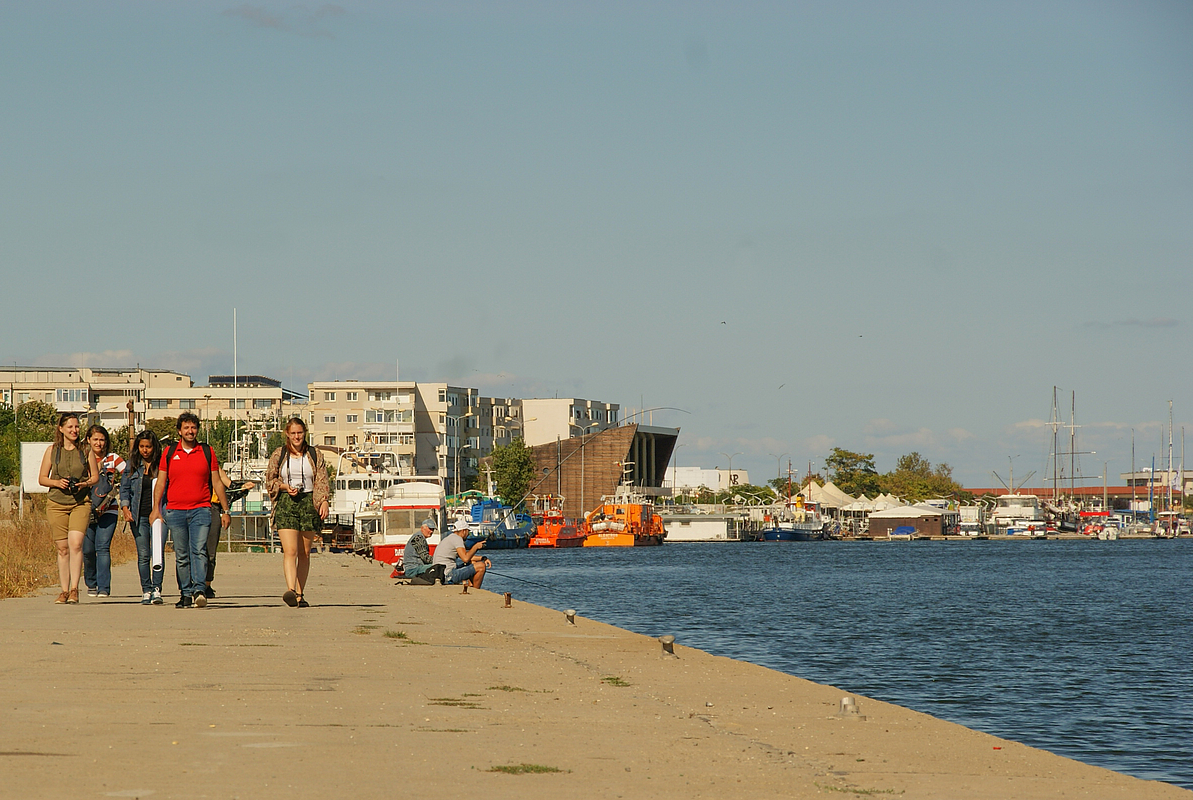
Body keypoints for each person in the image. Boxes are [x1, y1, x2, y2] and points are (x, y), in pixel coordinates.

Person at [150, 413, 230, 609]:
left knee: (199, 550)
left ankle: (199, 590)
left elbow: (217, 482)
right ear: (179, 431)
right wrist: (156, 509)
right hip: (175, 511)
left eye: (193, 427)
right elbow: (160, 483)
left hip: (201, 510)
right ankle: (185, 593)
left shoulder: (207, 451)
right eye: (186, 427)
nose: (190, 431)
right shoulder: (169, 452)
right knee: (182, 555)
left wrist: (226, 510)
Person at [265, 417, 329, 608]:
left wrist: (323, 501)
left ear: (305, 433)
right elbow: (270, 480)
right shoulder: (279, 454)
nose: (296, 437)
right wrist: (284, 486)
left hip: (308, 503)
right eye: (293, 433)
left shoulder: (314, 454)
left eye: (299, 433)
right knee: (290, 550)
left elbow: (321, 480)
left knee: (305, 552)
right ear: (287, 434)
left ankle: (300, 594)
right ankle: (291, 590)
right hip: (287, 503)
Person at [38, 413, 99, 604]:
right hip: (56, 504)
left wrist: (84, 484)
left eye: (77, 427)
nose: (74, 430)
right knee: (63, 548)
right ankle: (64, 591)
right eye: (70, 427)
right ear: (61, 429)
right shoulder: (52, 450)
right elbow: (42, 478)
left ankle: (74, 589)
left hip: (80, 503)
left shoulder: (86, 450)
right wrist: (57, 482)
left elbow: (95, 477)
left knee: (76, 544)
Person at [120, 430, 164, 605]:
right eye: (142, 446)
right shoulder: (132, 465)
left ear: (154, 447)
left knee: (157, 554)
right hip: (139, 517)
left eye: (149, 447)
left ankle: (157, 589)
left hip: (158, 516)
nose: (145, 450)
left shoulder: (162, 465)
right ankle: (146, 590)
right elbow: (124, 489)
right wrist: (125, 508)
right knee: (144, 555)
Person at [82, 425, 125, 598]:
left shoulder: (113, 459)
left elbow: (129, 473)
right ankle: (91, 583)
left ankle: (104, 587)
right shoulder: (81, 458)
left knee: (103, 547)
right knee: (87, 550)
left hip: (108, 509)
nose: (98, 443)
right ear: (88, 440)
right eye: (95, 439)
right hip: (86, 509)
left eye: (102, 440)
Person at [204, 464, 254, 599]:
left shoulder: (215, 467)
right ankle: (192, 584)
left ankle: (207, 584)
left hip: (213, 508)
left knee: (210, 551)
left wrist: (243, 487)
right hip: (193, 507)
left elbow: (230, 487)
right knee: (193, 550)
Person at [432, 518, 489, 589]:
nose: (468, 534)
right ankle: (476, 590)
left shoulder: (450, 538)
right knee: (481, 566)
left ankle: (470, 586)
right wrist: (475, 547)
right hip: (448, 575)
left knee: (473, 562)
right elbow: (465, 559)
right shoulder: (457, 539)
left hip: (440, 574)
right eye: (468, 531)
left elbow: (465, 556)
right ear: (463, 531)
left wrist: (482, 558)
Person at [402, 518, 439, 584]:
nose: (431, 531)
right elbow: (425, 558)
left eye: (433, 529)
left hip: (415, 567)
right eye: (430, 529)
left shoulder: (419, 537)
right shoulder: (418, 538)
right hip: (413, 569)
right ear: (422, 528)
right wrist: (440, 560)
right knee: (438, 567)